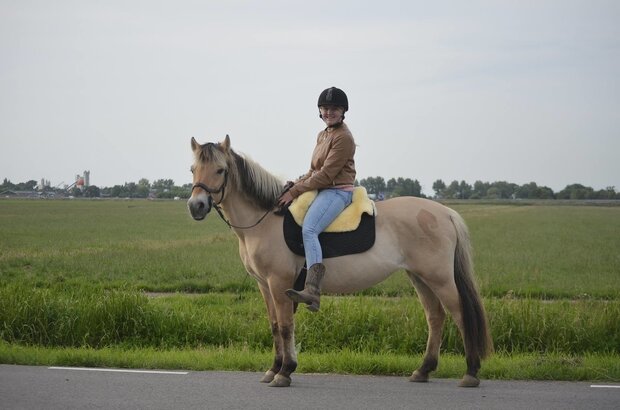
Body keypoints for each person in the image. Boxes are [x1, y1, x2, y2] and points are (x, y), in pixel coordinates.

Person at [278, 86, 357, 312]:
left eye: (334, 109)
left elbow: (325, 175)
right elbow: (314, 170)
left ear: (343, 112)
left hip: (337, 191)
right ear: (320, 111)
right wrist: (296, 182)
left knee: (309, 229)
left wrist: (295, 192)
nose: (329, 112)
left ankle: (312, 289)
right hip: (322, 189)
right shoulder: (323, 134)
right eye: (325, 108)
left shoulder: (343, 137)